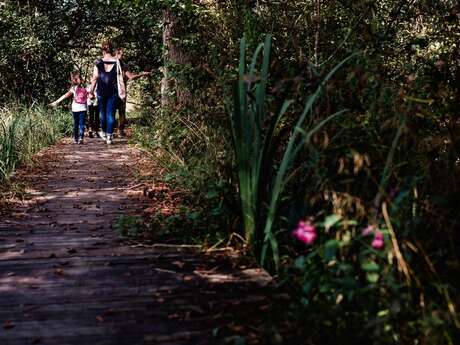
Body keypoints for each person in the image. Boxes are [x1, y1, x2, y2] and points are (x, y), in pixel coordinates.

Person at [89, 40, 121, 145]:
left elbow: (95, 78)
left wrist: (91, 91)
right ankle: (109, 136)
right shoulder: (117, 61)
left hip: (101, 91)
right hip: (113, 91)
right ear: (111, 48)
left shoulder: (98, 62)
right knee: (111, 113)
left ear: (102, 49)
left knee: (102, 113)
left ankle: (104, 132)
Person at [115, 47, 151, 137]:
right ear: (116, 53)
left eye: (123, 54)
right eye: (121, 54)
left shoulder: (123, 65)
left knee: (121, 112)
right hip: (114, 92)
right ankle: (113, 131)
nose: (122, 56)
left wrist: (141, 74)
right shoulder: (112, 64)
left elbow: (130, 76)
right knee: (115, 112)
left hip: (121, 92)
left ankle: (119, 131)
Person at [50, 71, 88, 144]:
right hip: (75, 109)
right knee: (76, 124)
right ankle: (76, 138)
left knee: (81, 124)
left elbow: (91, 95)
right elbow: (65, 96)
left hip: (83, 108)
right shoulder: (73, 88)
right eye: (76, 79)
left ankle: (80, 138)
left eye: (78, 79)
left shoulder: (86, 88)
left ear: (81, 80)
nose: (77, 80)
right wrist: (56, 102)